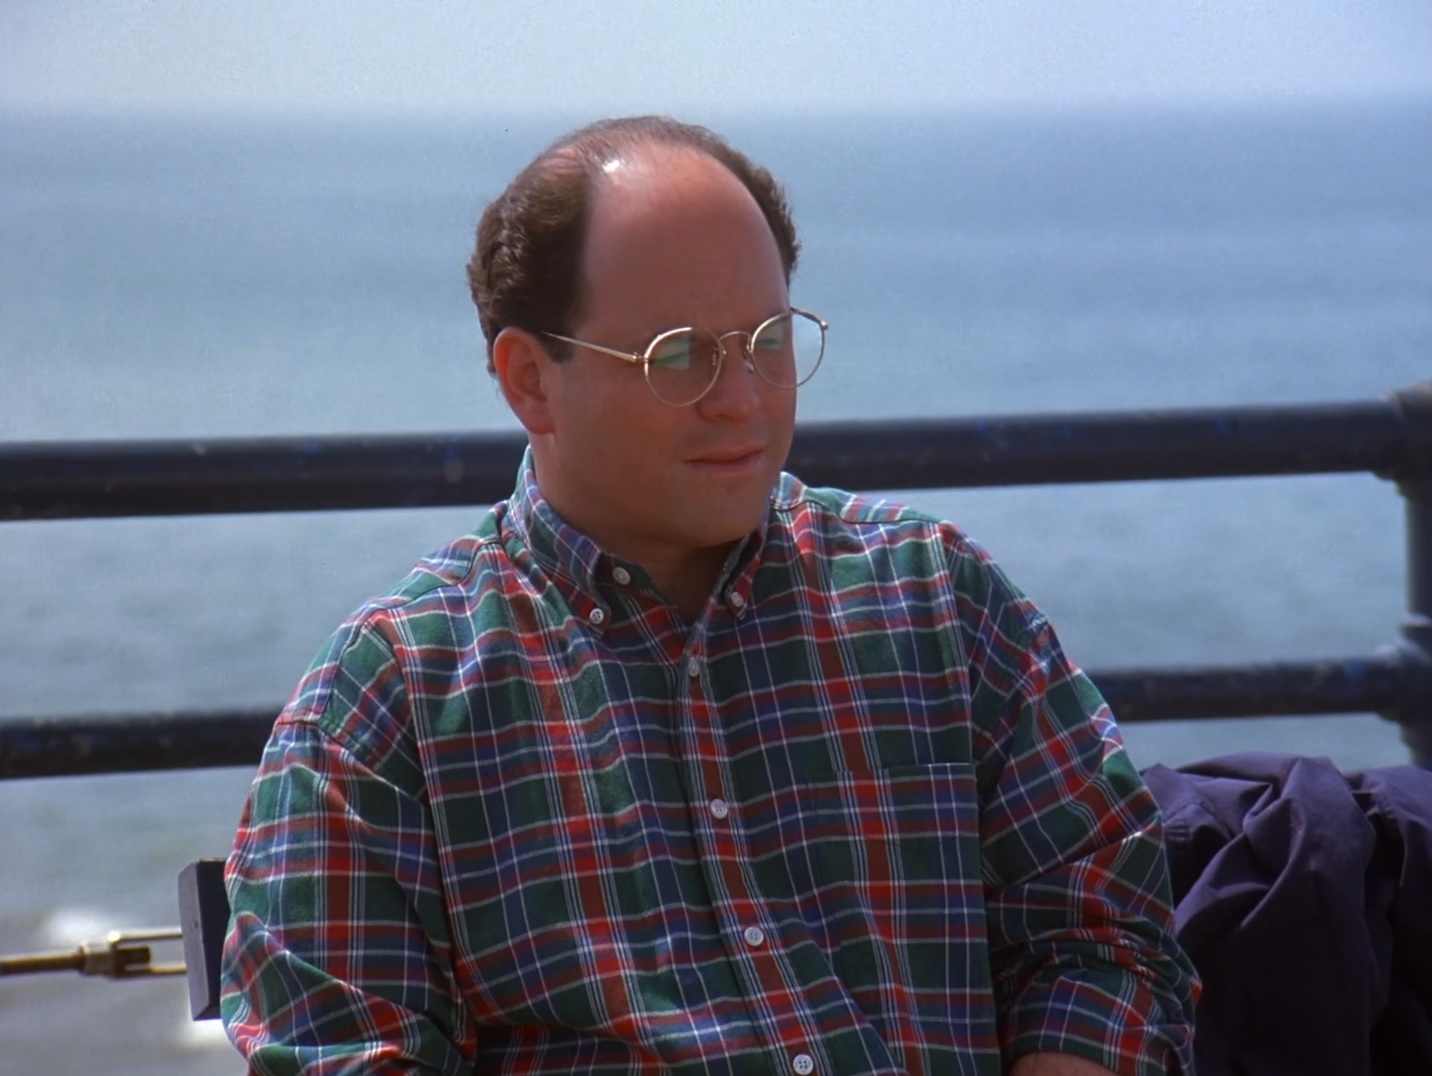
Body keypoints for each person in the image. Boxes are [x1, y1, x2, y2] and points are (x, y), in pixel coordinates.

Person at [221, 115, 1199, 1075]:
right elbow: (341, 1050)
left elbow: (1102, 924)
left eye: (769, 340)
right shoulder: (390, 702)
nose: (743, 398)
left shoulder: (936, 600)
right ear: (531, 381)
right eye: (678, 356)